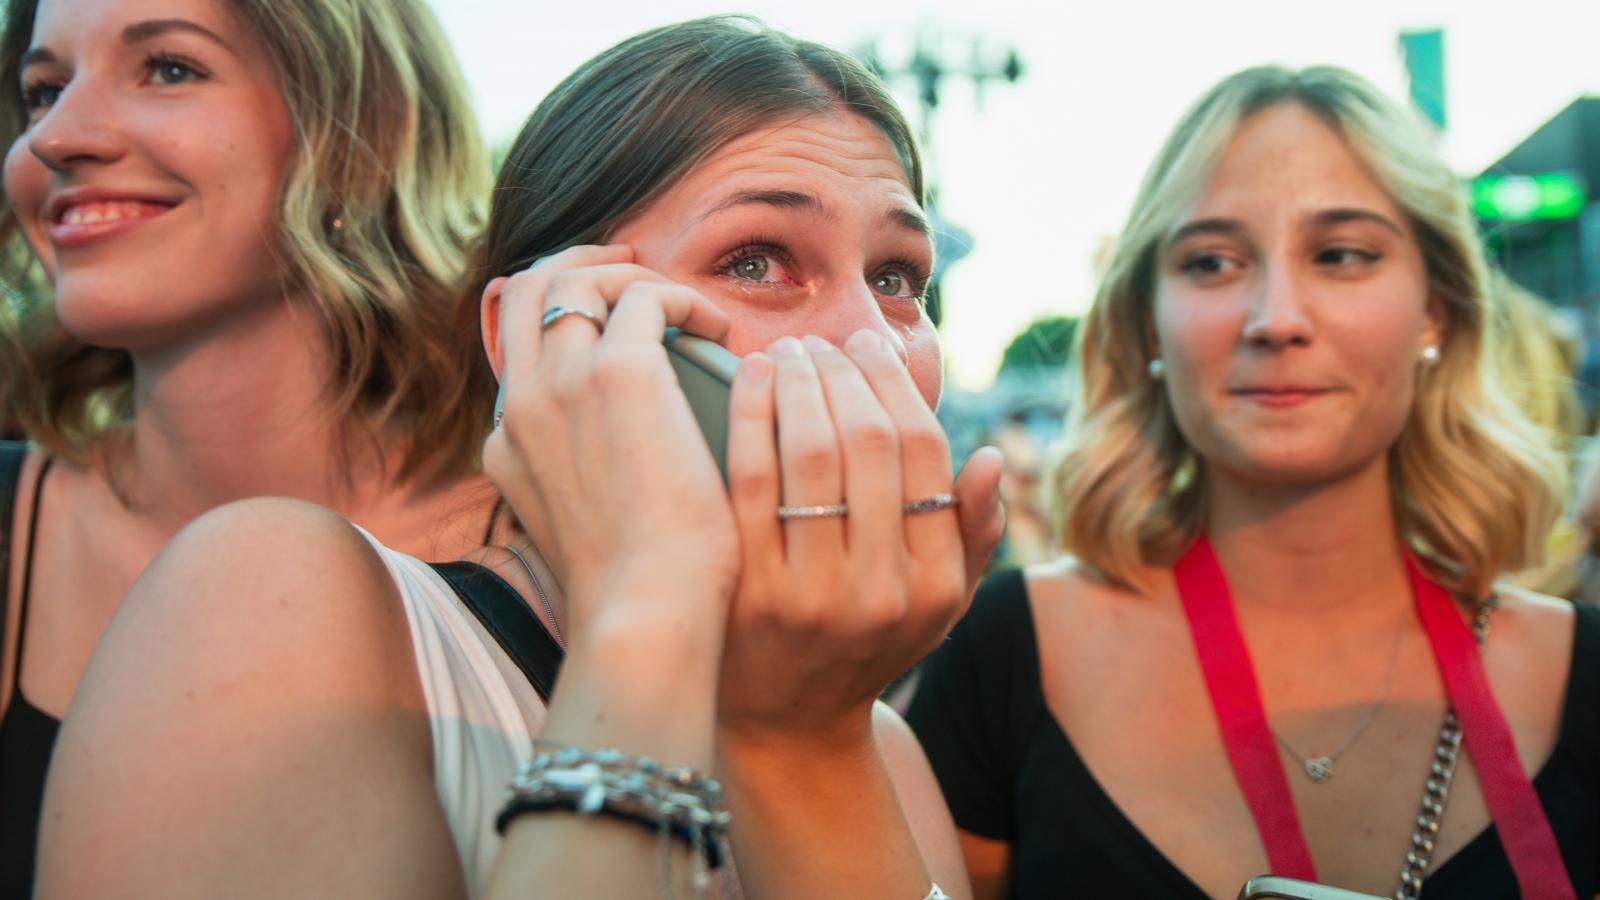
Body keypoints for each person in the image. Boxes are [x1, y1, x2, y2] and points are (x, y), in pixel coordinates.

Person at [35, 17, 1005, 899]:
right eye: (755, 258)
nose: (867, 341)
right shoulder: (269, 603)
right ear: (538, 331)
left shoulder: (875, 745)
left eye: (895, 278)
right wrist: (651, 601)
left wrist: (809, 747)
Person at [907, 65, 1596, 899]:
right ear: (1144, 320)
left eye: (1341, 254)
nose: (1276, 318)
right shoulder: (1006, 657)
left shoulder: (1584, 673)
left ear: (1435, 312)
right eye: (1213, 262)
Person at [0, 0, 500, 891]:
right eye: (42, 90)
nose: (56, 136)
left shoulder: (556, 534)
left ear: (359, 131)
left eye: (168, 68)